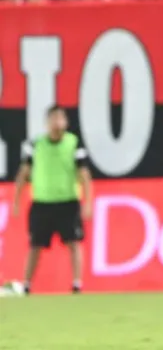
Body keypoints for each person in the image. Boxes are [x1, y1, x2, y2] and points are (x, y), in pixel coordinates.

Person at [11, 106, 93, 294]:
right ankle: (26, 285)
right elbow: (23, 174)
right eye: (53, 119)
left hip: (68, 202)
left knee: (74, 243)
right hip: (42, 203)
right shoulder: (35, 145)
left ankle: (77, 284)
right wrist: (16, 200)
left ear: (66, 122)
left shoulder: (74, 144)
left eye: (60, 119)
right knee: (35, 246)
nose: (57, 123)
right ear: (47, 123)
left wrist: (88, 202)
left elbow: (85, 175)